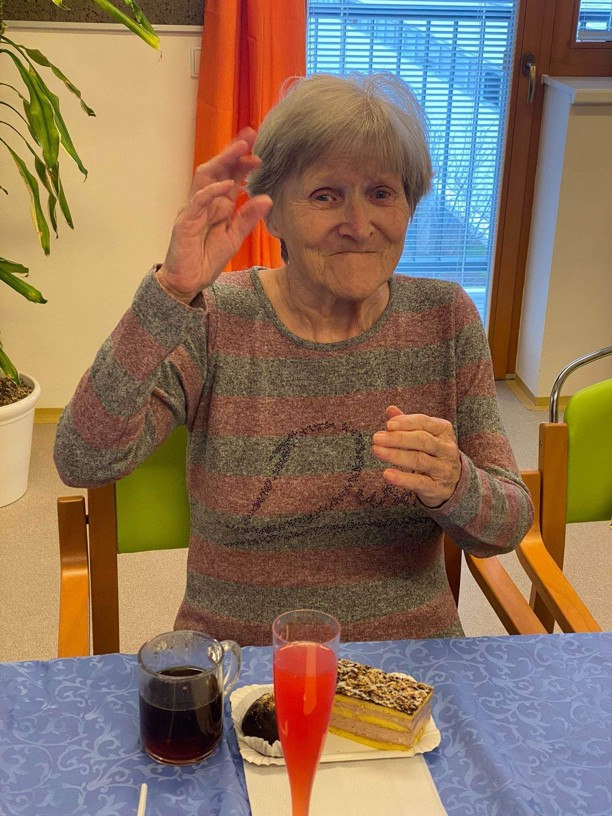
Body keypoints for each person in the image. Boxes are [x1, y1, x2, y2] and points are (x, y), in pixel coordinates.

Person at [54, 72, 534, 646]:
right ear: (272, 213)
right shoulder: (215, 318)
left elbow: (507, 525)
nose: (358, 226)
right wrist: (171, 293)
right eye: (326, 195)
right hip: (245, 668)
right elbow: (83, 458)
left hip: (409, 670)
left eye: (382, 193)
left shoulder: (444, 318)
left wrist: (454, 483)